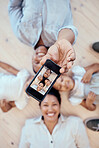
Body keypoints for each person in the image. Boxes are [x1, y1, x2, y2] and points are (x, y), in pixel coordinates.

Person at [8, 0, 78, 73]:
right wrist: (61, 41)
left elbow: (13, 7)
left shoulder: (22, 36)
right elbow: (71, 29)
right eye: (45, 63)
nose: (40, 59)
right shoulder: (58, 40)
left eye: (37, 62)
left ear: (32, 60)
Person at [19, 87, 90, 148]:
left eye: (54, 104)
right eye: (45, 105)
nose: (50, 109)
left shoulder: (75, 124)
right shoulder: (29, 127)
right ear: (40, 107)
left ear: (59, 105)